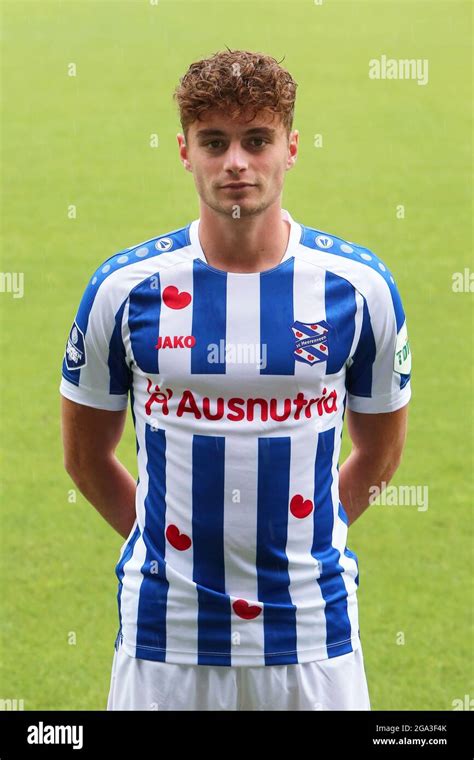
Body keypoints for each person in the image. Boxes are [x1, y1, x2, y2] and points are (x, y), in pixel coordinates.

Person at [60, 49, 411, 711]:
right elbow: (84, 458)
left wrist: (314, 536)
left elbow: (382, 452)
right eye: (214, 143)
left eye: (257, 141)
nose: (237, 164)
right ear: (185, 152)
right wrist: (168, 550)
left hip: (313, 634)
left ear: (291, 147)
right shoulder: (125, 289)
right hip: (166, 637)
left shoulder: (359, 289)